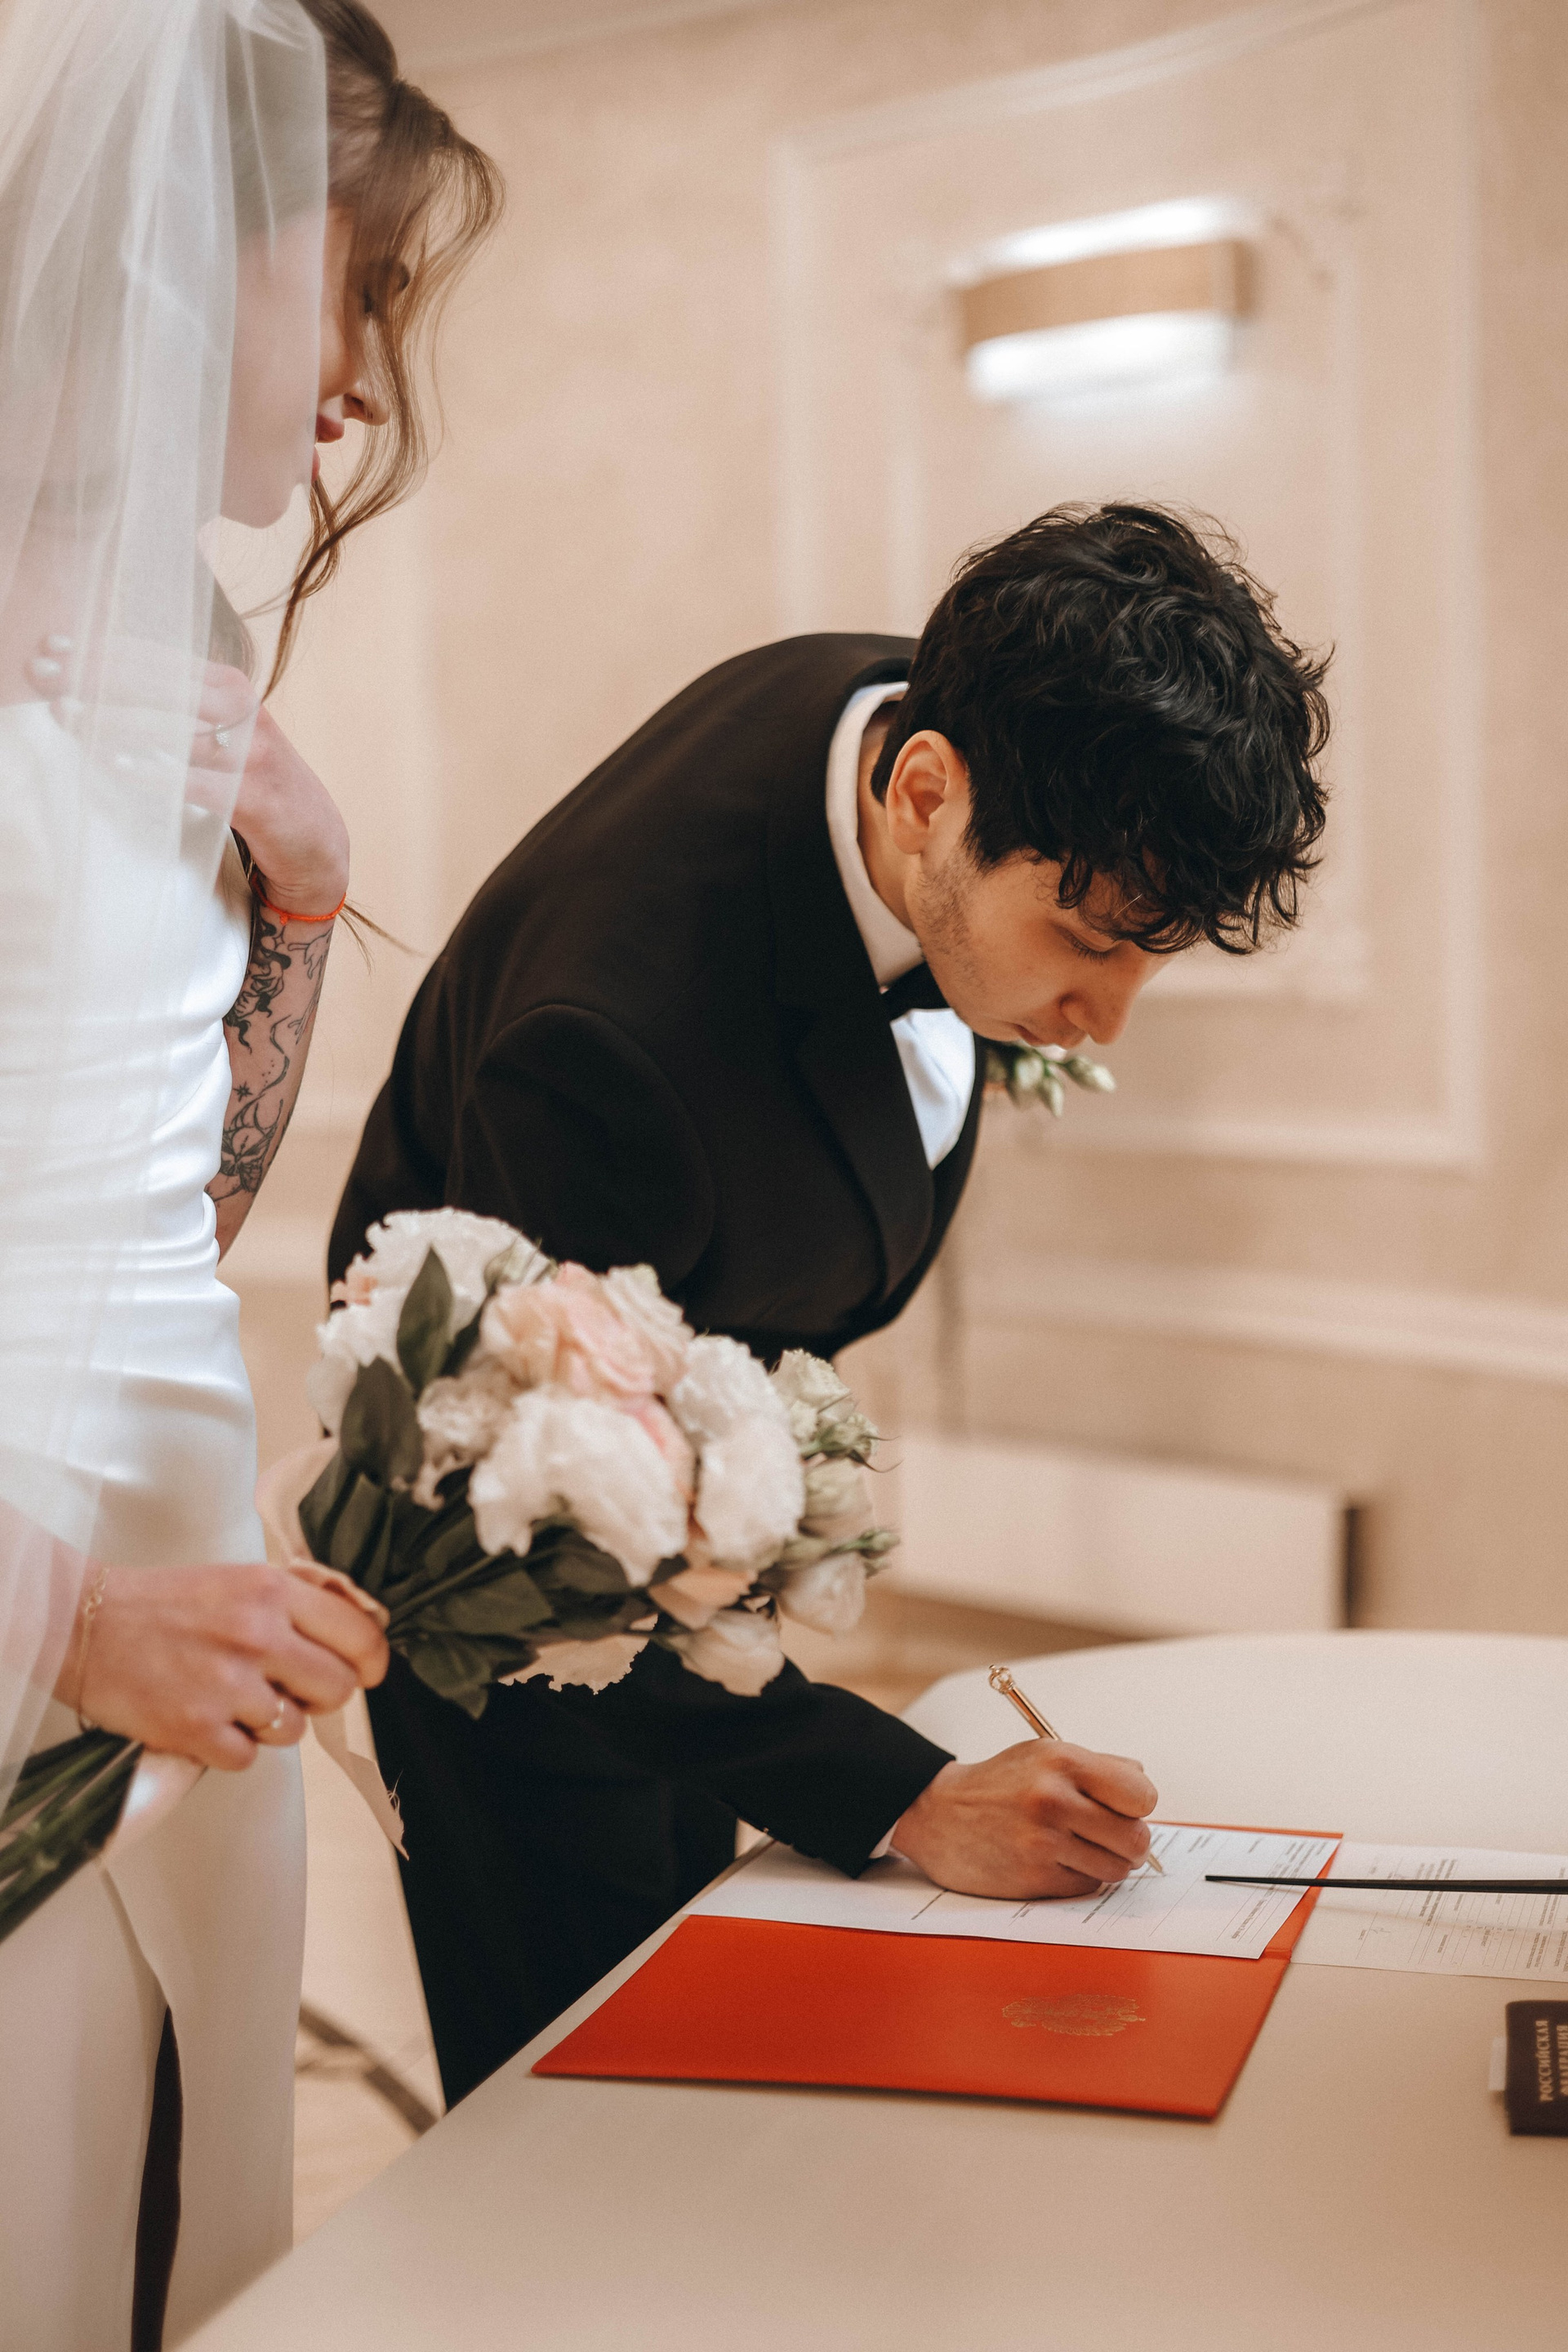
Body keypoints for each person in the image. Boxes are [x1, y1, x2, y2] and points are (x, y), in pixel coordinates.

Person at [332, 501, 1333, 2105]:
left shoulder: (912, 717)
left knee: (723, 2017)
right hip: (512, 1601)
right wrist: (908, 1797)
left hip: (687, 1491)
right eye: (1086, 943)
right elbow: (541, 1557)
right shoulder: (608, 1050)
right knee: (589, 2112)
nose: (1105, 1023)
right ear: (926, 796)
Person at [0, 4, 497, 2346]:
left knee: (174, 2217)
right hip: (45, 1585)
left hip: (182, 1522)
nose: (364, 384)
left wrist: (300, 888)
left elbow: (159, 1201)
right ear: (183, 246)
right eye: (358, 283)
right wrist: (61, 1624)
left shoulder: (166, 624)